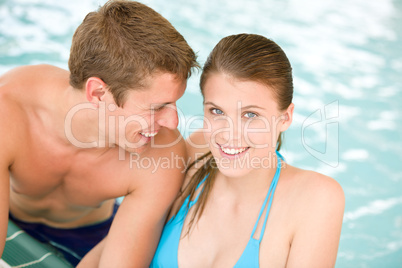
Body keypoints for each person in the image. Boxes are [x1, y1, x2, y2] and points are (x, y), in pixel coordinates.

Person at [0, 0, 198, 267]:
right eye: (157, 107)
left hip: (90, 238)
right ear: (98, 93)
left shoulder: (163, 154)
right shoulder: (10, 108)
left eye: (174, 104)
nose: (173, 123)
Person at [151, 34, 345, 267]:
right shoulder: (196, 154)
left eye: (250, 115)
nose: (229, 134)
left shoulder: (314, 199)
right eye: (217, 111)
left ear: (285, 118)